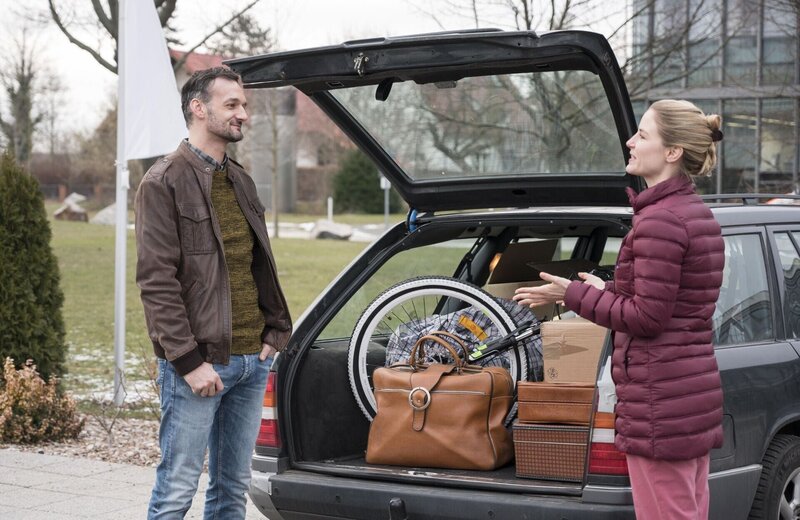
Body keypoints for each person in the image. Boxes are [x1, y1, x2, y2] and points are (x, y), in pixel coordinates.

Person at [513, 99, 725, 519]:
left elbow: (647, 317)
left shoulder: (661, 221)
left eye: (642, 135)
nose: (630, 141)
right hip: (683, 397)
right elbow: (670, 300)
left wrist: (572, 295)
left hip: (659, 402)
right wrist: (607, 288)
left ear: (672, 152)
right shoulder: (692, 212)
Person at [135, 66, 292, 519]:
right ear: (198, 108)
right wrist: (188, 362)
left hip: (251, 362)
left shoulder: (241, 180)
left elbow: (257, 264)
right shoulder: (163, 181)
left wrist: (274, 331)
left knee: (231, 490)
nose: (243, 114)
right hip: (199, 365)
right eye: (232, 105)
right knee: (177, 489)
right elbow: (156, 282)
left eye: (244, 105)